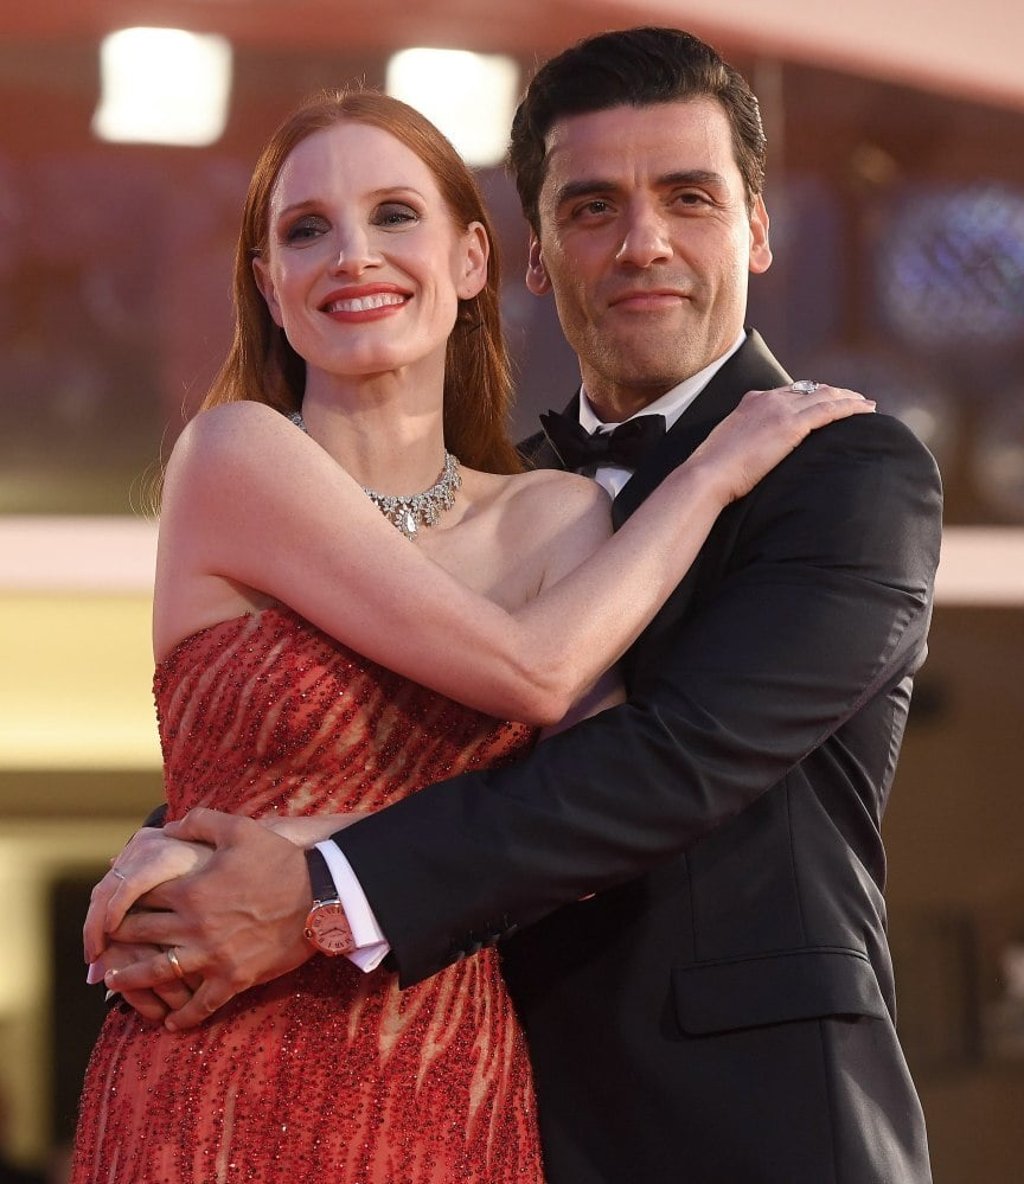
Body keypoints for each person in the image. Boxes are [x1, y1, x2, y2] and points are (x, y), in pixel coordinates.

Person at [72, 83, 868, 1182]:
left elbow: (587, 819)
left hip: (446, 1070)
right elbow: (532, 672)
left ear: (473, 259)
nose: (352, 253)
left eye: (395, 215)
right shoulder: (231, 454)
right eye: (308, 229)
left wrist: (300, 856)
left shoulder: (559, 514)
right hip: (219, 1067)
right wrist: (714, 472)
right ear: (270, 285)